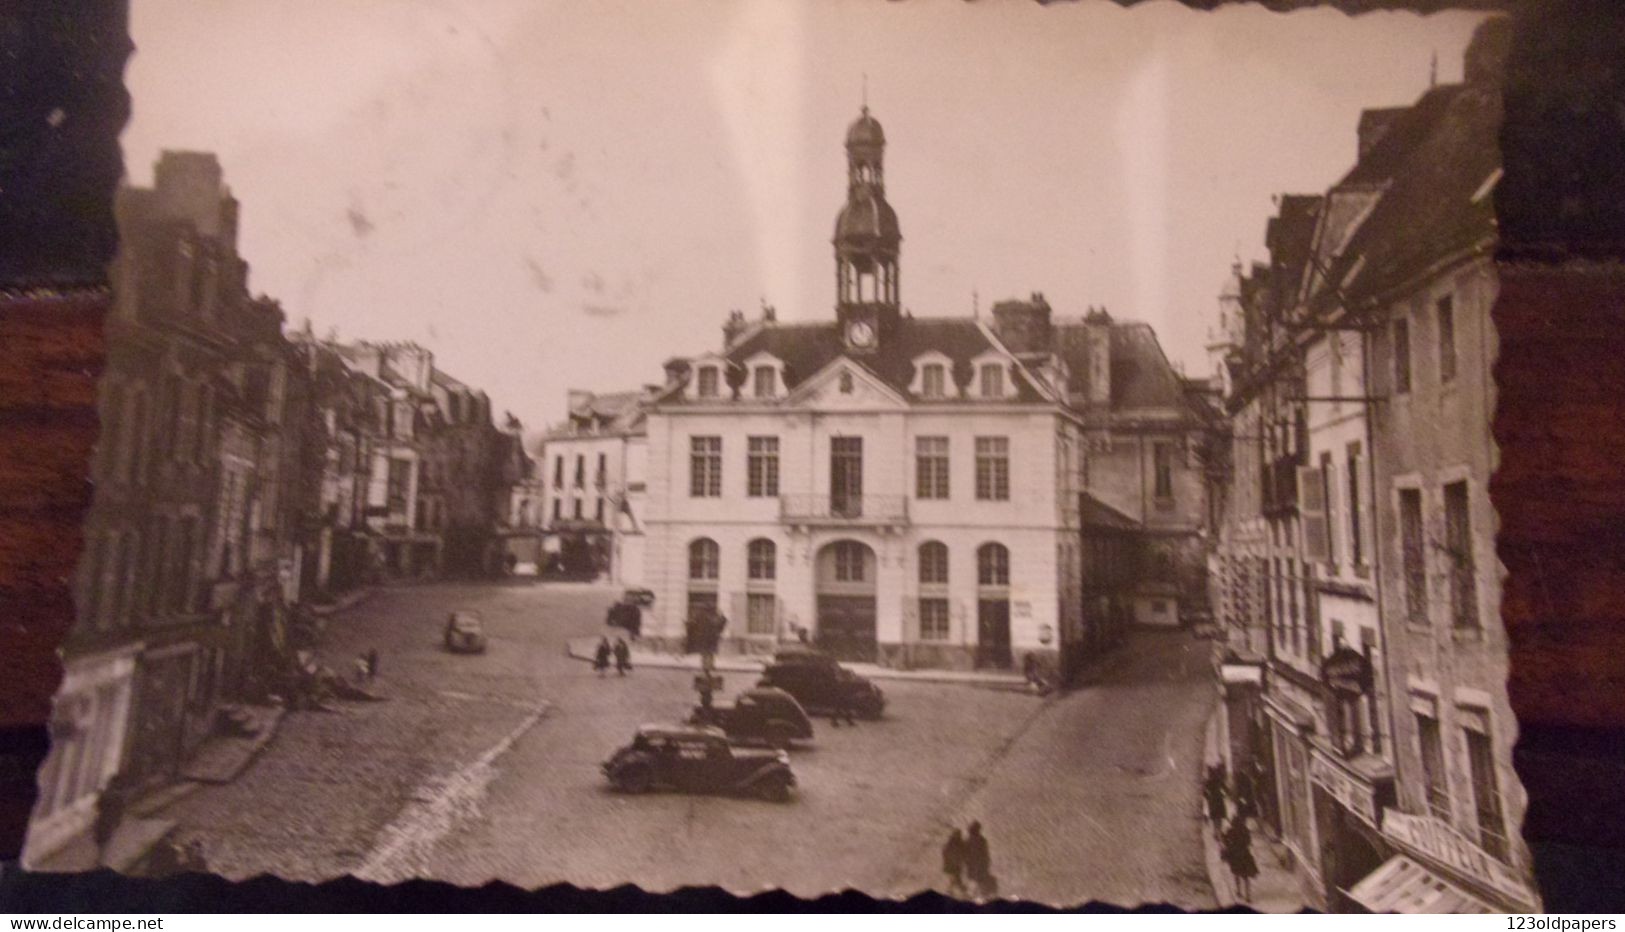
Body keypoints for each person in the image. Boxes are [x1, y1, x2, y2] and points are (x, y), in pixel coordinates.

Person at [1221, 816, 1259, 902]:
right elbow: (1248, 841)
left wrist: (1224, 836)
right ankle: (1248, 896)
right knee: (1246, 877)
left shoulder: (1230, 831)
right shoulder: (1245, 830)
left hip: (1235, 856)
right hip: (1245, 855)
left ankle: (1238, 891)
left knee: (1236, 874)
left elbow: (1226, 841)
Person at [963, 821, 997, 899]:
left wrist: (966, 862)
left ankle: (971, 896)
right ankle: (979, 896)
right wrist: (987, 863)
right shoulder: (982, 840)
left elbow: (965, 854)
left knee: (974, 881)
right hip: (980, 865)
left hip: (972, 865)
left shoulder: (968, 841)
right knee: (980, 881)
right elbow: (985, 854)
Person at [940, 828, 967, 897]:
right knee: (956, 878)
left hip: (955, 864)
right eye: (957, 834)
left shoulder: (958, 843)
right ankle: (961, 891)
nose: (958, 836)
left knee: (954, 879)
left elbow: (963, 853)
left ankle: (951, 891)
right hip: (952, 865)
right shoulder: (952, 843)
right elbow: (945, 852)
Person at [1203, 764, 1229, 829]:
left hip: (1214, 801)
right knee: (1218, 817)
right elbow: (1226, 790)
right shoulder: (1216, 781)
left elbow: (1205, 792)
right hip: (1218, 800)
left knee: (1216, 817)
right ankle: (1217, 831)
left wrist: (1208, 797)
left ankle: (1217, 831)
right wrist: (1224, 795)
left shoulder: (1211, 781)